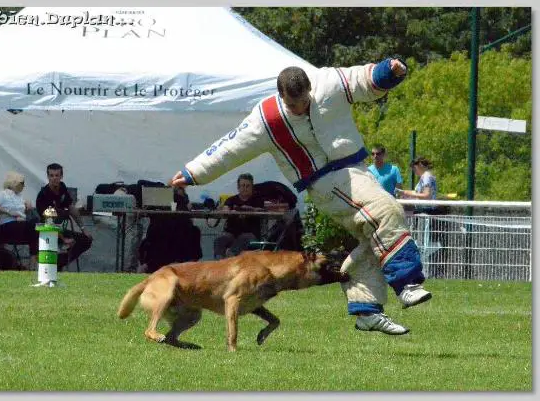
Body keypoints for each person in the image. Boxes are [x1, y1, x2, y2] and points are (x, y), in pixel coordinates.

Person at [170, 57, 433, 335]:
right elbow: (229, 149)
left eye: (304, 101)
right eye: (292, 104)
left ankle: (366, 309)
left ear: (310, 88)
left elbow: (361, 79)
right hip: (324, 183)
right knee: (386, 210)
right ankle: (407, 284)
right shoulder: (266, 120)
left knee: (375, 239)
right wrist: (193, 173)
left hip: (356, 171)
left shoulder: (328, 83)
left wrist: (388, 71)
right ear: (280, 95)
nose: (299, 108)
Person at [36, 163, 93, 271]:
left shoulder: (62, 187)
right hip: (47, 231)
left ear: (61, 176)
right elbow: (48, 222)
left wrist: (83, 228)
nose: (54, 178)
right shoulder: (44, 195)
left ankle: (61, 262)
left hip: (59, 229)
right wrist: (63, 239)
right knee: (56, 239)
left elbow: (71, 208)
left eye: (57, 175)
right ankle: (55, 265)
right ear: (48, 177)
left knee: (86, 240)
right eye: (51, 175)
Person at [0, 171, 39, 270]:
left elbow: (25, 209)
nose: (23, 186)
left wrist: (28, 205)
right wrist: (9, 212)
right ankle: (30, 266)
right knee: (32, 227)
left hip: (19, 226)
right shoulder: (3, 194)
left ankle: (32, 266)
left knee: (35, 229)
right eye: (21, 183)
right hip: (6, 226)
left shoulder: (19, 196)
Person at [213, 173, 265, 259]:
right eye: (242, 185)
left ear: (252, 187)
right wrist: (229, 210)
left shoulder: (258, 200)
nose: (245, 188)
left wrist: (251, 209)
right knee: (220, 239)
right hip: (231, 233)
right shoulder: (231, 200)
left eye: (248, 186)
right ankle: (219, 263)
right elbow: (226, 208)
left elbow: (264, 210)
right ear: (238, 187)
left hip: (251, 234)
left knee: (245, 237)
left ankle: (230, 257)